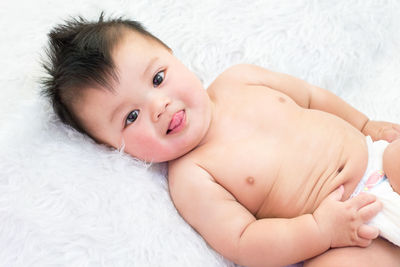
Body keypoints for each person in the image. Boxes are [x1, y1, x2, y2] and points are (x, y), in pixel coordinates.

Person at [41, 14, 400, 267]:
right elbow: (244, 241)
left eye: (158, 78)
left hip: (377, 162)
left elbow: (310, 96)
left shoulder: (239, 80)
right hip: (339, 233)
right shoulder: (191, 177)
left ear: (174, 57)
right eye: (130, 117)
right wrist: (320, 230)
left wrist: (365, 123)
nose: (159, 106)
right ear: (112, 148)